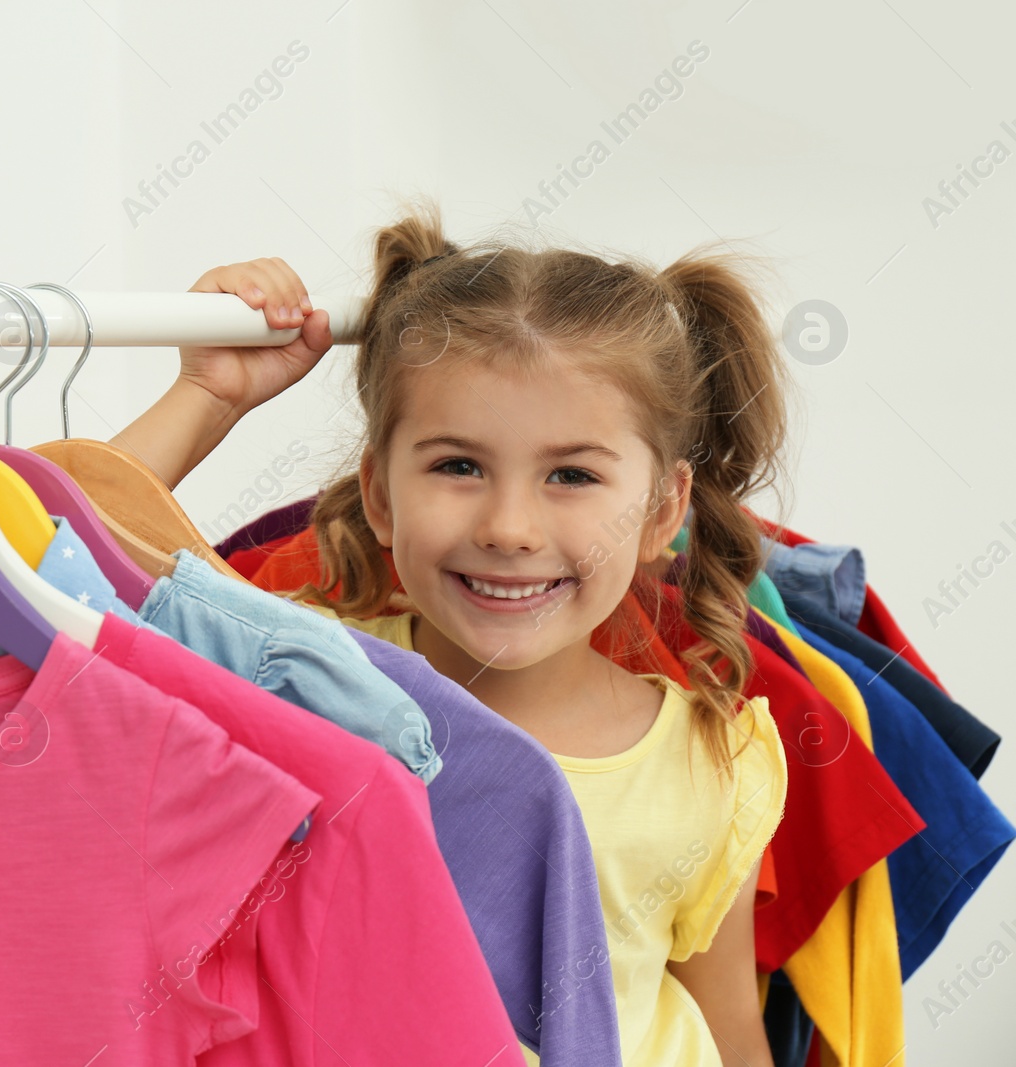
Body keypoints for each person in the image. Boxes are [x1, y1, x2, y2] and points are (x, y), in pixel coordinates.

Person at [114, 205, 790, 1067]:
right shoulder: (297, 676)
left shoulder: (710, 757)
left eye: (572, 474)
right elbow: (28, 555)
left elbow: (730, 1031)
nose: (509, 526)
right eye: (458, 466)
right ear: (382, 495)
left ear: (663, 510)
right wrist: (206, 396)